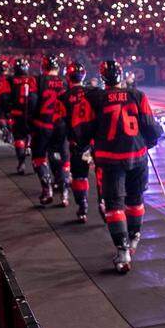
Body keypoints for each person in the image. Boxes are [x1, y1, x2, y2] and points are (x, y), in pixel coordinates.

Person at [71, 59, 162, 273]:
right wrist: (150, 141)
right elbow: (150, 126)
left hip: (110, 159)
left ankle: (122, 251)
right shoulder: (137, 96)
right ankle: (134, 237)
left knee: (114, 205)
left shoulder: (95, 98)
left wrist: (81, 145)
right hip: (137, 156)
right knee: (135, 200)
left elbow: (83, 128)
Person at [29, 56, 70, 207]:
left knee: (39, 156)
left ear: (43, 67)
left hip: (43, 123)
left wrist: (30, 121)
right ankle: (65, 192)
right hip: (61, 125)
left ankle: (47, 189)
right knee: (62, 157)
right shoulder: (65, 81)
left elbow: (32, 102)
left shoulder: (37, 80)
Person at [61, 61, 96, 223]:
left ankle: (83, 206)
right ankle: (106, 204)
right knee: (106, 176)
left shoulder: (64, 97)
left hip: (77, 144)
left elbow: (60, 123)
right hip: (96, 144)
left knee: (79, 177)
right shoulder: (94, 93)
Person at [1, 59, 37, 175]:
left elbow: (5, 97)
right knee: (32, 135)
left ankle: (21, 163)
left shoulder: (10, 80)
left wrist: (6, 111)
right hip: (32, 114)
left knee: (18, 138)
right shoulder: (33, 79)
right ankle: (35, 157)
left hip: (17, 113)